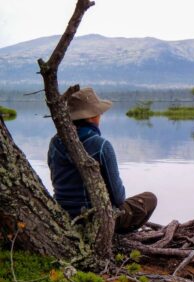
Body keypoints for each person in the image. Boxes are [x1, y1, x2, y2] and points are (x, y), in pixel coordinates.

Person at [48, 87, 157, 233]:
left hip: (63, 215)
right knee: (150, 199)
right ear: (93, 117)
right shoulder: (101, 146)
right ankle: (115, 235)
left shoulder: (54, 142)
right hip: (94, 219)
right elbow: (118, 198)